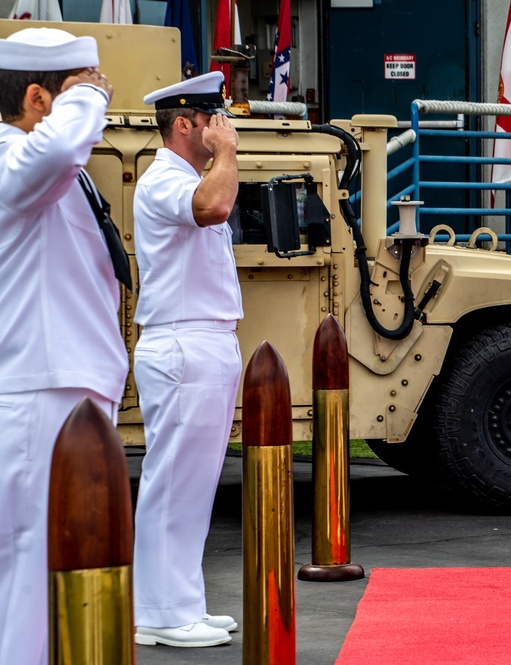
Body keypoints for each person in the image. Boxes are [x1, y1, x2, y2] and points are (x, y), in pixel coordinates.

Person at [0, 28, 128, 664]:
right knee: (31, 572)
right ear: (37, 100)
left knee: (62, 572)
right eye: (89, 87)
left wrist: (78, 99)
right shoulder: (11, 160)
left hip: (65, 388)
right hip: (38, 394)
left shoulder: (36, 162)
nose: (103, 100)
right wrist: (84, 100)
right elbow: (51, 160)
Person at [131, 71, 243, 648]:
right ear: (184, 125)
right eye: (211, 120)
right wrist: (227, 154)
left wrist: (219, 153)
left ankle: (181, 601)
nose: (223, 128)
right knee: (174, 482)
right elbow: (216, 207)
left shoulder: (184, 175)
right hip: (182, 344)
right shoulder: (163, 180)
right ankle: (159, 612)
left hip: (202, 341)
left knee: (193, 485)